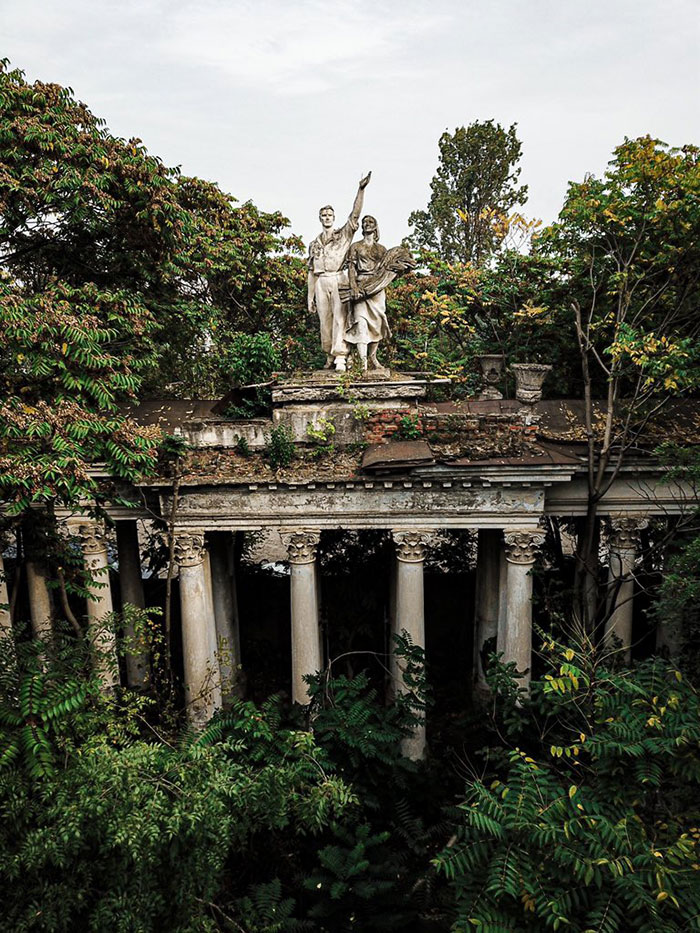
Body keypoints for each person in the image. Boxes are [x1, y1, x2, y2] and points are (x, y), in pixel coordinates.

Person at [307, 172, 371, 372]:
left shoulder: (342, 236)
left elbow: (355, 215)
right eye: (324, 215)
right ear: (320, 218)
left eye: (329, 215)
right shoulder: (314, 243)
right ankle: (329, 353)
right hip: (321, 281)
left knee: (340, 318)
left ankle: (341, 355)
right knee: (325, 321)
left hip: (338, 278)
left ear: (333, 218)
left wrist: (361, 190)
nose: (327, 218)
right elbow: (311, 272)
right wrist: (310, 297)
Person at [343, 215, 416, 371]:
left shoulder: (381, 249)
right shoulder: (355, 246)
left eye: (370, 222)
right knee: (361, 322)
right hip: (361, 286)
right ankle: (362, 363)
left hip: (377, 289)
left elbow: (388, 271)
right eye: (364, 222)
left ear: (375, 226)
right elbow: (351, 268)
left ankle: (373, 357)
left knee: (377, 323)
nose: (367, 224)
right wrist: (353, 286)